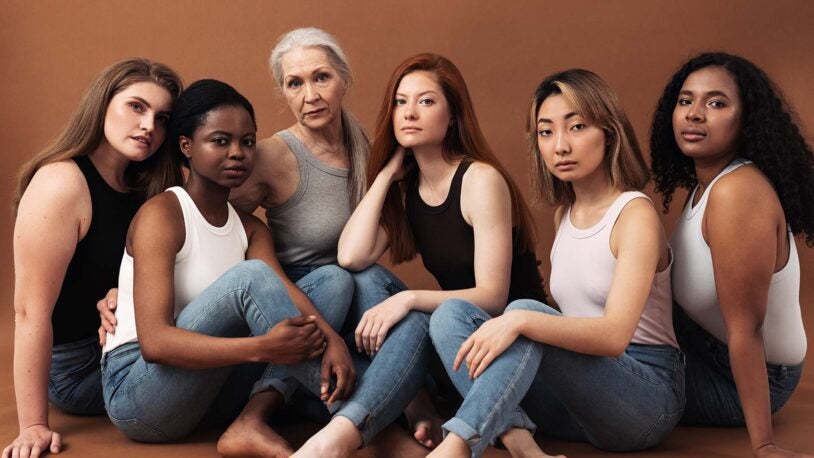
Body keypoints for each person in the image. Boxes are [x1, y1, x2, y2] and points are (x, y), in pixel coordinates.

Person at [293, 53, 546, 458]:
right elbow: (351, 257)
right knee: (369, 280)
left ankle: (344, 436)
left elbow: (493, 297)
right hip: (457, 358)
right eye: (399, 101)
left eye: (426, 101)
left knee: (422, 313)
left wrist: (408, 298)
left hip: (511, 359)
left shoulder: (480, 179)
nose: (409, 113)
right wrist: (387, 175)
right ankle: (410, 409)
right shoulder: (410, 189)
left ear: (453, 116)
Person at [428, 69, 684, 457]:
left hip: (642, 400)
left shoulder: (634, 215)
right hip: (574, 405)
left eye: (577, 127)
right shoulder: (563, 214)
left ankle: (457, 446)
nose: (560, 146)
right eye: (546, 132)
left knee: (525, 312)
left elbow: (615, 336)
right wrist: (522, 322)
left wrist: (521, 319)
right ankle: (525, 447)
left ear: (610, 133)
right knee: (450, 315)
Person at [100, 79, 355, 454]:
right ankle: (359, 417)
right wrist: (262, 348)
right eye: (220, 141)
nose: (238, 153)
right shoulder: (163, 215)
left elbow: (287, 291)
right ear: (186, 146)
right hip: (140, 394)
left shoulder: (251, 228)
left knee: (334, 280)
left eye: (248, 142)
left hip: (210, 391)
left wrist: (333, 339)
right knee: (250, 278)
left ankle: (250, 421)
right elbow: (155, 343)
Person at [224, 27, 439, 451]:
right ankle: (256, 417)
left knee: (377, 284)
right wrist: (135, 279)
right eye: (294, 83)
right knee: (341, 279)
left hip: (351, 302)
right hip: (299, 303)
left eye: (321, 78)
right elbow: (205, 220)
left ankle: (410, 402)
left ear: (345, 80)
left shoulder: (366, 144)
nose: (310, 95)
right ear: (283, 93)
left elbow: (370, 248)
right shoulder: (272, 155)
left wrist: (389, 173)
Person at [4, 58, 182, 458]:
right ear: (102, 105)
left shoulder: (148, 185)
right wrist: (33, 426)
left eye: (162, 117)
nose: (150, 126)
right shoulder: (62, 182)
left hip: (128, 339)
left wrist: (124, 293)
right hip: (74, 368)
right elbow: (29, 312)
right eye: (136, 107)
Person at [650, 52, 813, 458]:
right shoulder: (704, 187)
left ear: (747, 121)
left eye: (716, 103)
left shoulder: (737, 193)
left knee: (591, 378)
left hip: (747, 377)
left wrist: (764, 444)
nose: (694, 114)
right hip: (703, 347)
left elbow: (747, 328)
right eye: (686, 101)